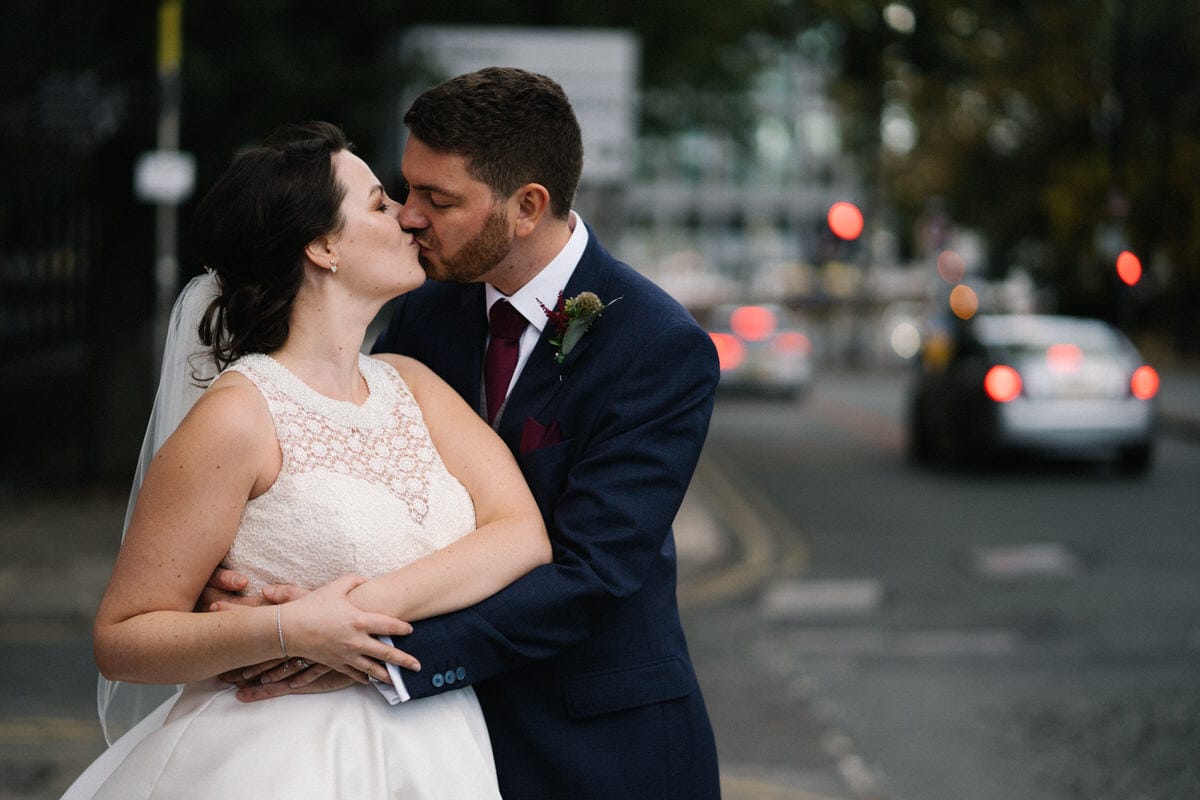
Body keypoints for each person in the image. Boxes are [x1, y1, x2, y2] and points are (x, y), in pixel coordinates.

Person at [225, 67, 723, 799]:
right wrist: (258, 588)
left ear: (527, 206)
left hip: (597, 748)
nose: (408, 216)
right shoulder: (425, 312)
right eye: (407, 188)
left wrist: (370, 652)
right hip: (435, 748)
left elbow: (590, 573)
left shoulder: (655, 346)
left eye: (439, 198)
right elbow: (355, 474)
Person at [61, 120, 550, 799]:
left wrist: (350, 614)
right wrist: (288, 629)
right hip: (275, 761)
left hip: (434, 748)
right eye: (380, 203)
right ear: (323, 246)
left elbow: (523, 535)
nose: (410, 218)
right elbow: (123, 638)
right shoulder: (239, 415)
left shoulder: (414, 383)